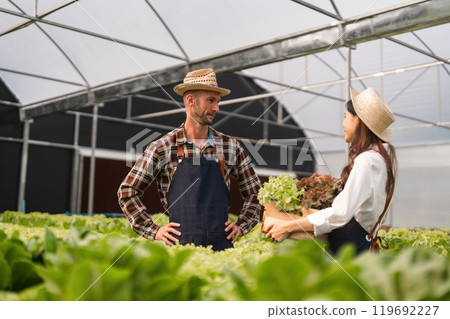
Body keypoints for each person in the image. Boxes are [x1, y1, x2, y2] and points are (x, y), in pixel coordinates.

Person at [118, 68, 262, 251]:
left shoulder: (230, 147)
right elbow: (127, 191)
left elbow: (256, 193)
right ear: (190, 100)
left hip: (222, 249)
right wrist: (152, 230)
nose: (216, 108)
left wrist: (242, 225)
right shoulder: (162, 147)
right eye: (211, 100)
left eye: (217, 102)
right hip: (179, 250)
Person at [265, 87, 397, 255]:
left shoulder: (367, 160)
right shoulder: (382, 159)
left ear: (358, 121)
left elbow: (339, 214)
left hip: (352, 250)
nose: (343, 124)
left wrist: (288, 226)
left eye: (345, 117)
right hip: (362, 243)